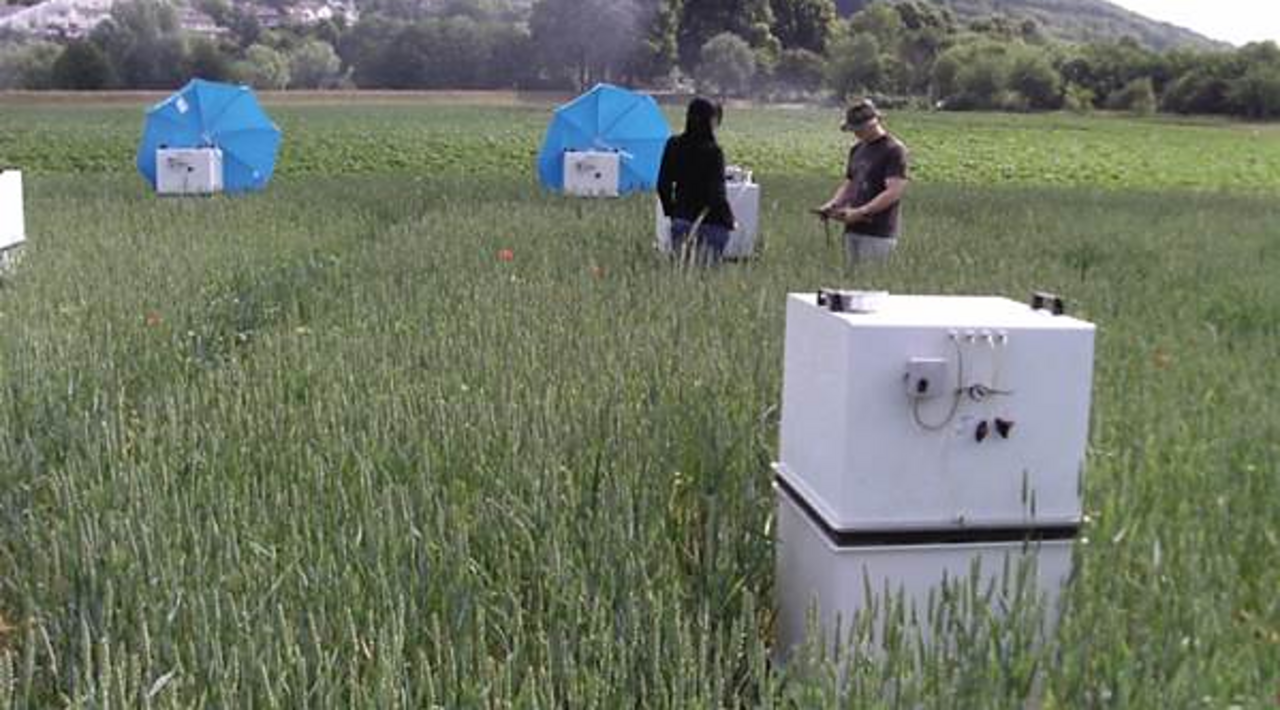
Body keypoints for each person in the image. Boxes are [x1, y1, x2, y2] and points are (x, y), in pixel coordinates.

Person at [815, 99, 910, 268]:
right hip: (852, 230)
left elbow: (894, 191)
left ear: (872, 125)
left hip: (878, 233)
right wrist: (833, 204)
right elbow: (850, 183)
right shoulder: (857, 149)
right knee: (852, 282)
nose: (855, 134)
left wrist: (862, 212)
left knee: (871, 285)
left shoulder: (894, 150)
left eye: (858, 130)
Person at [657, 97, 735, 264]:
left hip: (681, 221)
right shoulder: (713, 151)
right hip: (712, 224)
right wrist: (729, 220)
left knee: (682, 272)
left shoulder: (673, 145)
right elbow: (717, 195)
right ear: (711, 120)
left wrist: (672, 212)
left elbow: (662, 185)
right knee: (705, 276)